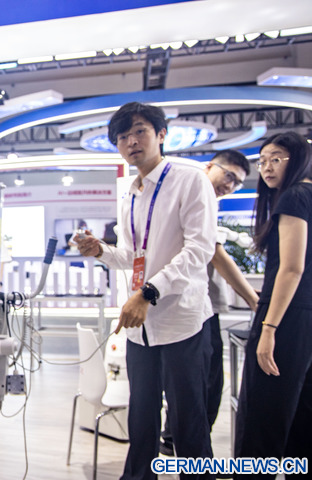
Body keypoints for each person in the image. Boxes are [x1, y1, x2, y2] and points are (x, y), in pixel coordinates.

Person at [75, 101, 217, 480]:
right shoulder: (131, 193)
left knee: (187, 420)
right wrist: (100, 250)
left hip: (181, 321)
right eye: (122, 137)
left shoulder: (189, 180)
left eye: (139, 131)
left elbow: (199, 250)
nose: (131, 142)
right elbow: (133, 256)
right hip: (141, 328)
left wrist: (149, 293)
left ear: (161, 134)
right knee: (141, 418)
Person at [160, 149, 260, 456]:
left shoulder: (205, 199)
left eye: (237, 183)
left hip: (202, 306)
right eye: (228, 175)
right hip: (194, 307)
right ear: (209, 167)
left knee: (202, 385)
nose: (230, 185)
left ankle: (176, 443)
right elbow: (216, 254)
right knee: (202, 388)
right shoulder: (196, 194)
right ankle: (182, 448)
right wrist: (253, 299)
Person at [234, 131, 312, 474]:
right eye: (262, 160)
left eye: (276, 158)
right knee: (300, 419)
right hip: (305, 317)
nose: (266, 167)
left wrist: (269, 328)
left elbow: (292, 268)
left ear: (297, 159)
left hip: (287, 319)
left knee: (261, 420)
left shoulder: (294, 196)